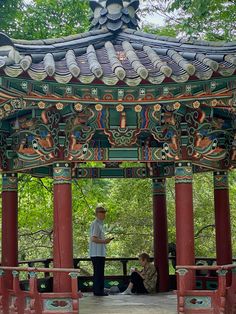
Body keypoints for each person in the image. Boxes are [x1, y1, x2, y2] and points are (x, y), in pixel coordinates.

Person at [89, 206, 113, 296]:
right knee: (98, 273)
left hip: (99, 253)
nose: (104, 214)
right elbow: (93, 239)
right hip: (96, 253)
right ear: (97, 214)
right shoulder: (95, 224)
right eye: (101, 212)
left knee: (99, 272)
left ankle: (99, 290)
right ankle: (98, 291)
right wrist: (104, 241)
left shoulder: (100, 225)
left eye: (104, 212)